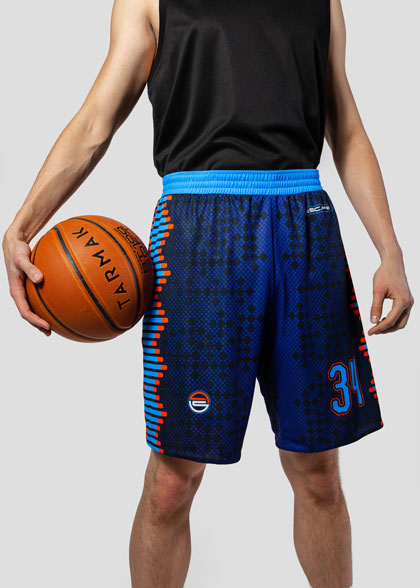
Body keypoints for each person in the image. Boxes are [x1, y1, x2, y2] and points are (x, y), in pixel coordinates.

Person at [2, 0, 414, 586]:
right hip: (199, 230)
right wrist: (23, 224)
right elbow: (96, 122)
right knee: (172, 481)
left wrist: (390, 250)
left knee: (320, 473)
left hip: (305, 224)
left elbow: (345, 129)